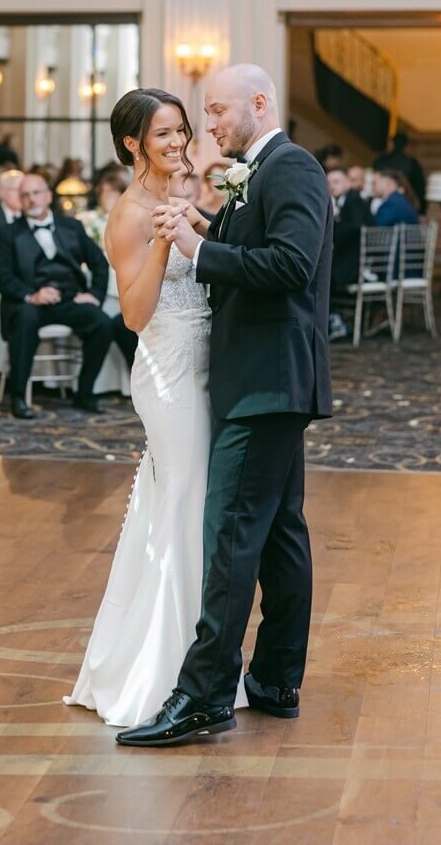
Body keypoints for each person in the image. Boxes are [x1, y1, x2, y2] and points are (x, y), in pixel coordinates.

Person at [112, 65, 333, 747]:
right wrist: (207, 229)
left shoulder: (287, 167)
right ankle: (273, 680)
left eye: (214, 111)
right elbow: (252, 251)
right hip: (259, 379)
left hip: (264, 383)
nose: (207, 127)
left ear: (258, 103)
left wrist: (197, 246)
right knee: (278, 534)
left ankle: (204, 696)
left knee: (232, 538)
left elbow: (290, 265)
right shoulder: (254, 174)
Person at [64, 88, 225, 726]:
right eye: (164, 134)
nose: (179, 143)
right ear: (134, 145)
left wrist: (199, 226)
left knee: (188, 506)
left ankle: (197, 661)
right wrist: (164, 239)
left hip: (206, 366)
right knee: (184, 505)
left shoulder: (173, 198)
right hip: (169, 374)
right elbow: (134, 314)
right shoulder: (131, 213)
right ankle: (169, 672)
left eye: (182, 131)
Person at [0, 172, 114, 420]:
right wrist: (32, 295)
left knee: (102, 323)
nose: (31, 199)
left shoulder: (71, 226)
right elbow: (3, 279)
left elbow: (99, 263)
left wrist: (94, 294)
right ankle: (18, 396)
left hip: (70, 299)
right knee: (25, 319)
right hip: (31, 303)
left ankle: (84, 391)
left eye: (36, 193)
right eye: (24, 195)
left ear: (48, 196)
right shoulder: (9, 233)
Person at [78, 171, 138, 369]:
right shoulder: (87, 219)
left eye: (114, 193)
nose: (110, 198)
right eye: (105, 193)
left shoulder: (132, 218)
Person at [326, 167, 372, 341]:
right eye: (329, 183)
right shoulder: (342, 201)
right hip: (347, 259)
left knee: (320, 276)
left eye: (336, 182)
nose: (331, 186)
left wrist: (333, 225)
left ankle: (334, 321)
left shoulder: (354, 200)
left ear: (347, 183)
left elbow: (356, 229)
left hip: (356, 265)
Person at [373, 132, 427, 214]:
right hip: (405, 202)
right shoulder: (412, 163)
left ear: (392, 144)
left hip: (381, 201)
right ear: (406, 146)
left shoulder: (380, 161)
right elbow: (420, 187)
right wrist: (421, 209)